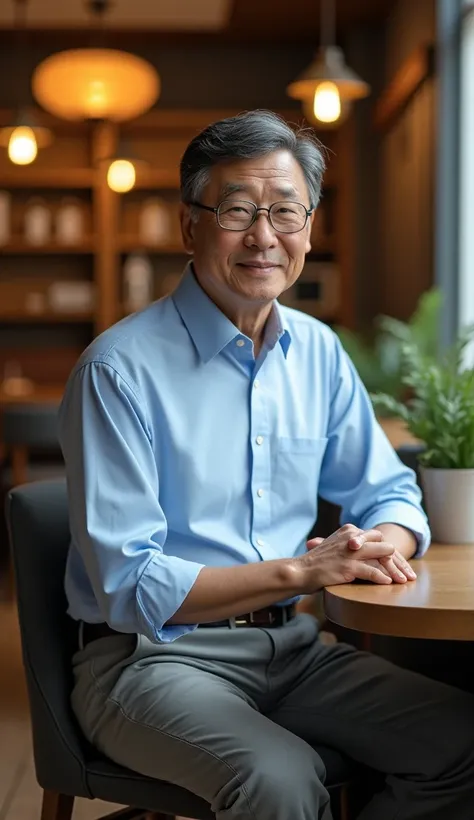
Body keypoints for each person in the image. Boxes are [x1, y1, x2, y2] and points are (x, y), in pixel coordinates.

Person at [58, 110, 474, 820]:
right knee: (280, 779)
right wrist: (305, 571)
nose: (263, 236)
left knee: (462, 740)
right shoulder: (117, 370)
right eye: (236, 210)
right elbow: (132, 584)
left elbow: (391, 493)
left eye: (285, 211)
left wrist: (381, 543)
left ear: (309, 228)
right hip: (149, 663)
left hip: (295, 647)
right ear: (190, 224)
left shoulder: (316, 351)